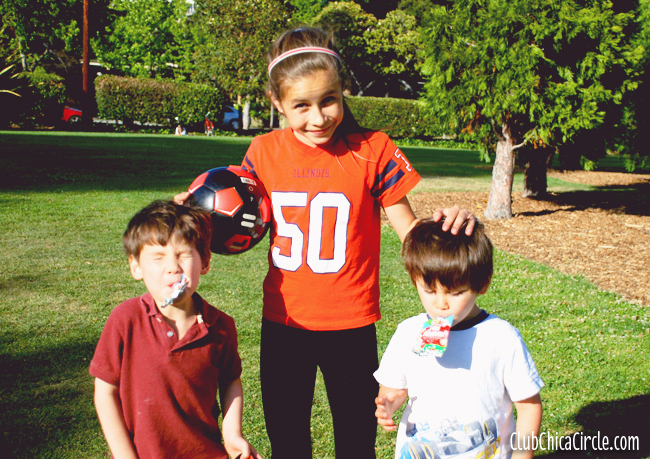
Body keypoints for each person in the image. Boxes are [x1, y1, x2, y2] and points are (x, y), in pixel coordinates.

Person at [176, 26, 476, 459]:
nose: (318, 118)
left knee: (356, 441)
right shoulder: (261, 152)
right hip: (284, 323)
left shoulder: (372, 149)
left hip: (352, 323)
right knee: (288, 441)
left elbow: (410, 233)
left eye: (329, 100)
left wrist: (446, 227)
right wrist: (183, 215)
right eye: (301, 105)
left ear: (343, 91)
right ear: (276, 103)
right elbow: (235, 220)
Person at [89, 200, 261, 459]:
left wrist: (233, 433)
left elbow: (230, 381)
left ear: (204, 262)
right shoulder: (125, 320)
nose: (173, 267)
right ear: (136, 267)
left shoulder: (220, 326)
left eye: (184, 254)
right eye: (158, 257)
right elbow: (105, 393)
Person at [374, 218, 543, 459]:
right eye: (429, 290)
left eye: (455, 293)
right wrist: (388, 404)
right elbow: (394, 388)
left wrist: (522, 456)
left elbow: (528, 406)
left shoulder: (502, 337)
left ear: (482, 284)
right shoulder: (409, 332)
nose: (440, 304)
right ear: (414, 280)